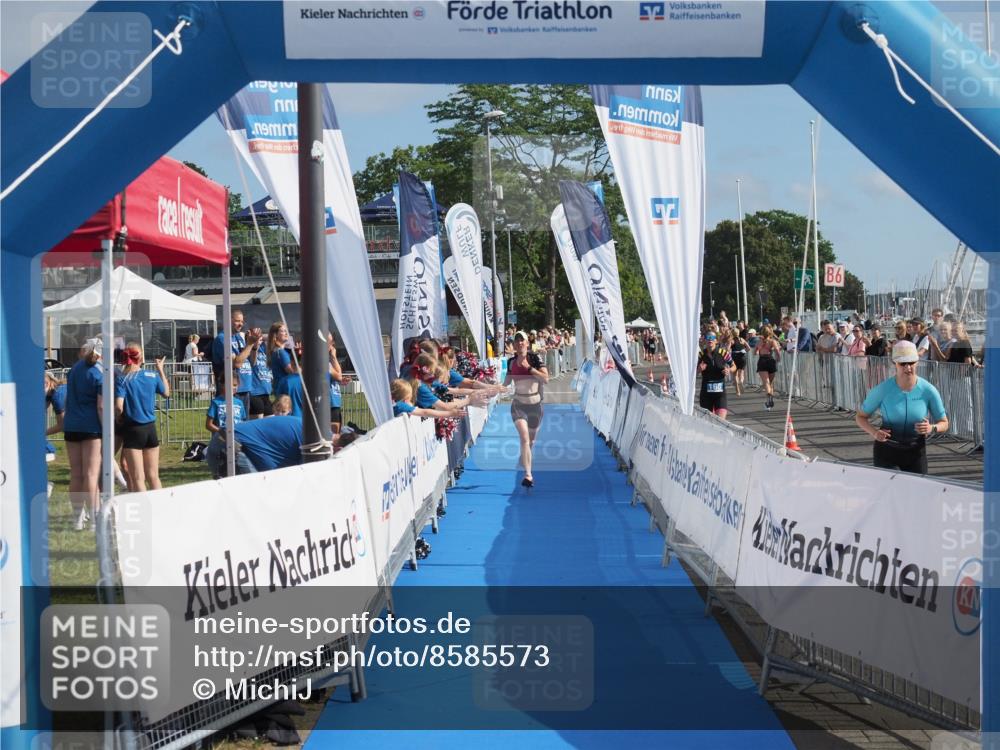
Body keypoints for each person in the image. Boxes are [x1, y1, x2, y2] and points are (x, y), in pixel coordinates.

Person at [855, 340, 948, 475]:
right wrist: (874, 433)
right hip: (887, 452)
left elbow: (944, 423)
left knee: (917, 494)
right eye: (903, 363)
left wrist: (932, 427)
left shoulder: (928, 390)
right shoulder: (883, 389)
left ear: (917, 362)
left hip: (915, 452)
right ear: (895, 364)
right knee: (890, 493)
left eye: (911, 363)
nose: (908, 367)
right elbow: (860, 417)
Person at [114, 344, 170, 492]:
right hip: (150, 429)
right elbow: (166, 393)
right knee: (153, 476)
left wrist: (118, 417)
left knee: (138, 478)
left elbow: (119, 406)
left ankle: (144, 512)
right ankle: (160, 507)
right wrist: (160, 370)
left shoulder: (123, 379)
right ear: (140, 357)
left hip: (133, 429)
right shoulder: (152, 376)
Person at [64, 339, 104, 531]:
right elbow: (101, 406)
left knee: (76, 473)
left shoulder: (74, 369)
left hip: (71, 424)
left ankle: (77, 519)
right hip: (91, 427)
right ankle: (95, 519)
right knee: (91, 474)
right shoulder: (98, 372)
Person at [503, 331, 549, 488]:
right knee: (524, 438)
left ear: (527, 343)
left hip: (535, 405)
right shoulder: (511, 362)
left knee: (531, 441)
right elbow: (505, 384)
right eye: (516, 341)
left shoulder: (535, 359)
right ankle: (528, 475)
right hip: (518, 405)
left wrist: (529, 369)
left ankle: (525, 457)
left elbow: (546, 379)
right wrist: (490, 388)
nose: (519, 343)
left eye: (522, 340)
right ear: (514, 345)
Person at [233, 403, 304, 472]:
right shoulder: (307, 436)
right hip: (236, 441)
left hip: (236, 437)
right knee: (256, 481)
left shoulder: (302, 428)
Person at [205, 379, 252, 479]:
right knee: (221, 472)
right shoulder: (216, 402)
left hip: (237, 440)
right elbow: (208, 425)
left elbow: (243, 421)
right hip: (221, 442)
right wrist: (221, 432)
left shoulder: (239, 403)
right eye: (230, 385)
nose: (233, 387)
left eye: (235, 385)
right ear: (222, 385)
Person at [212, 310, 257, 411]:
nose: (240, 324)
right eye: (237, 321)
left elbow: (252, 363)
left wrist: (254, 347)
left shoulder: (238, 337)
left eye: (242, 321)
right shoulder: (222, 338)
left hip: (245, 388)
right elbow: (236, 363)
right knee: (230, 423)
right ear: (229, 320)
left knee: (243, 423)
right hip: (231, 390)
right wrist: (249, 344)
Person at [698, 333, 736, 419]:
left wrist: (729, 370)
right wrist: (699, 370)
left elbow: (734, 366)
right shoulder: (700, 355)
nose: (710, 339)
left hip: (720, 394)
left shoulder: (723, 353)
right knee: (707, 423)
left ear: (716, 340)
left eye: (712, 338)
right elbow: (693, 373)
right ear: (705, 341)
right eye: (708, 337)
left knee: (721, 422)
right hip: (706, 395)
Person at [391, 379, 467, 418]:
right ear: (405, 398)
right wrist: (450, 413)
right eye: (409, 397)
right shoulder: (401, 406)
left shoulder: (392, 404)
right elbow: (425, 412)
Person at [247, 330, 274, 419]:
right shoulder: (250, 349)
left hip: (266, 393)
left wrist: (260, 336)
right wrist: (255, 345)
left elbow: (272, 337)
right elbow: (253, 362)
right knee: (258, 421)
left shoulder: (264, 350)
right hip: (255, 393)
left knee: (271, 422)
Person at [755, 324, 781, 410]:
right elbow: (777, 350)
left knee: (766, 382)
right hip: (771, 360)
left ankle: (769, 397)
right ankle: (769, 401)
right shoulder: (772, 341)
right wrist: (778, 357)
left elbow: (755, 352)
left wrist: (759, 349)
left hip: (762, 361)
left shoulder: (759, 342)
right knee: (770, 383)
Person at [729, 328, 749, 396]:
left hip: (734, 357)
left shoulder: (731, 341)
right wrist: (744, 351)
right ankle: (741, 381)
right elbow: (748, 348)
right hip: (742, 356)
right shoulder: (742, 340)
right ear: (738, 333)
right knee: (741, 373)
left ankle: (737, 391)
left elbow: (728, 349)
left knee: (735, 375)